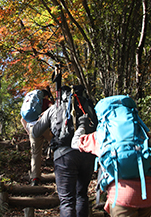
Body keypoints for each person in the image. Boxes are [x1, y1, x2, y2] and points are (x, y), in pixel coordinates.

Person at [74, 126, 151, 217]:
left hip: (122, 196)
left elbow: (75, 143)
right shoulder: (141, 131)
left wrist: (81, 128)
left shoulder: (101, 134)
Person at [32, 86, 98, 217]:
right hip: (86, 153)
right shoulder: (86, 107)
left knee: (67, 201)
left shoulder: (53, 108)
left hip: (63, 155)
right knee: (82, 195)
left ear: (59, 96)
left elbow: (35, 132)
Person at [21, 89, 53, 186]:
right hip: (44, 126)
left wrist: (28, 131)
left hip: (32, 128)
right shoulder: (46, 101)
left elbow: (22, 120)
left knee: (35, 153)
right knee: (56, 143)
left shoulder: (29, 105)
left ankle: (35, 178)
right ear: (45, 96)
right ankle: (60, 168)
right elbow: (53, 109)